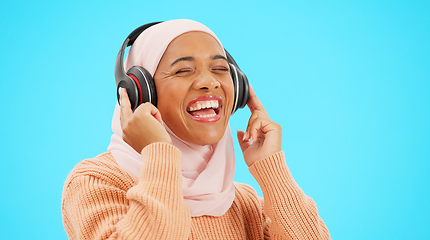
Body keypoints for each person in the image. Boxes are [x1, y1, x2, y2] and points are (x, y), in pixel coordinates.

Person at [61, 19, 331, 240]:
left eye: (219, 68)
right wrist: (159, 152)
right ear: (141, 93)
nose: (208, 82)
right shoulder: (96, 182)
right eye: (183, 71)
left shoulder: (243, 203)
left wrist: (272, 171)